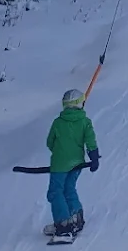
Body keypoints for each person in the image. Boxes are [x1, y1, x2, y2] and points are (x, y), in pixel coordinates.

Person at [43, 89, 99, 241]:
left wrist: (60, 150)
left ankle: (63, 223)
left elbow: (49, 143)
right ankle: (76, 217)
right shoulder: (85, 122)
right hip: (77, 164)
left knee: (56, 192)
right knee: (69, 188)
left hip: (59, 165)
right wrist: (94, 158)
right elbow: (90, 141)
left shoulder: (58, 123)